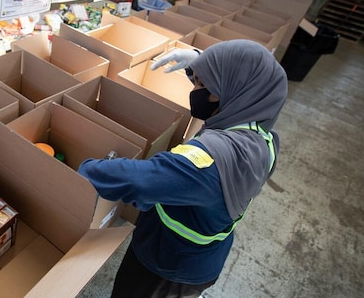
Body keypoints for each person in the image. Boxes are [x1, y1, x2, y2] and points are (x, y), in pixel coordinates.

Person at [77, 39, 288, 298]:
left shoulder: (209, 163)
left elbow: (139, 181)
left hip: (167, 267)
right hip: (202, 255)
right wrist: (199, 63)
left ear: (229, 91)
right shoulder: (262, 135)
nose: (195, 90)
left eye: (202, 84)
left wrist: (82, 170)